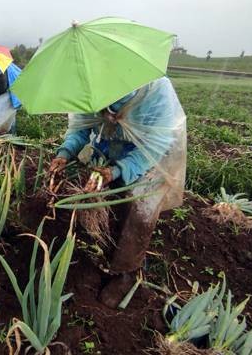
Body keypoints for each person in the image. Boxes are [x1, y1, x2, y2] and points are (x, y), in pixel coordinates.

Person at [48, 76, 187, 308]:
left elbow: (156, 144)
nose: (108, 115)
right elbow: (80, 129)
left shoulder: (156, 91)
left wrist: (119, 170)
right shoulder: (88, 86)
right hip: (110, 149)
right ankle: (102, 251)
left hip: (150, 157)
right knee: (107, 202)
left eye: (113, 108)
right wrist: (64, 153)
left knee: (137, 211)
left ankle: (126, 272)